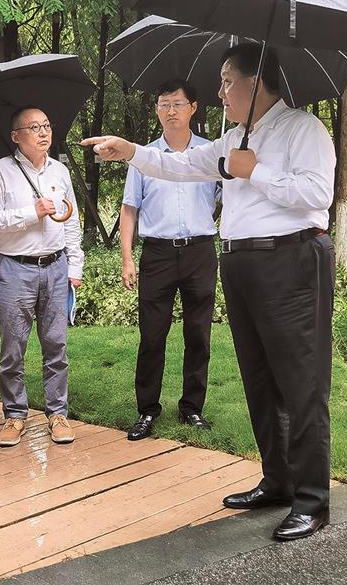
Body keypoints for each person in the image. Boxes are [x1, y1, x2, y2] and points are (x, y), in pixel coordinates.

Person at [84, 43, 336, 542]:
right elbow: (185, 165)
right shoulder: (235, 136)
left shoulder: (303, 129)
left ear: (255, 81)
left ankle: (312, 499)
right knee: (260, 380)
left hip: (291, 261)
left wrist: (253, 170)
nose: (219, 91)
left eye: (226, 81)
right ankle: (279, 479)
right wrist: (131, 151)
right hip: (242, 264)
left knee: (300, 383)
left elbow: (317, 195)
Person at [120, 78, 220, 441]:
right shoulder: (144, 156)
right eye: (164, 104)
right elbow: (129, 209)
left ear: (193, 107)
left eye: (177, 103)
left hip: (199, 251)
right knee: (152, 335)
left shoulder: (212, 153)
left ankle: (192, 407)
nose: (170, 110)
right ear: (157, 110)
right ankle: (147, 410)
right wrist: (127, 258)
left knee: (199, 334)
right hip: (158, 253)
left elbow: (228, 196)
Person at [0, 107, 83, 448]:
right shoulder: (0, 171)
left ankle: (58, 413)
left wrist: (74, 266)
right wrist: (30, 213)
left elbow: (71, 222)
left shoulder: (60, 171)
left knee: (56, 344)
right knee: (13, 347)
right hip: (16, 269)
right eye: (34, 127)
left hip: (55, 267)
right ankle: (14, 415)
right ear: (16, 136)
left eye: (47, 126)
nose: (43, 133)